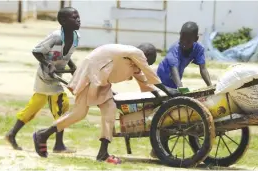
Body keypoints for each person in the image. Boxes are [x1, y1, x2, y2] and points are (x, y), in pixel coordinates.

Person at [32, 43, 180, 164]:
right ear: (145, 56)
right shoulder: (135, 52)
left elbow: (147, 83)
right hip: (91, 75)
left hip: (102, 81)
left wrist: (161, 97)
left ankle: (103, 153)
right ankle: (43, 134)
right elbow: (150, 73)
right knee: (79, 113)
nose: (143, 65)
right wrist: (168, 91)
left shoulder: (132, 61)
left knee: (110, 110)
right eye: (146, 62)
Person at [5, 7, 80, 153]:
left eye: (78, 17)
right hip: (46, 76)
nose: (78, 20)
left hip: (56, 76)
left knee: (34, 106)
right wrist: (48, 64)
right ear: (63, 21)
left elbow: (65, 54)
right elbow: (37, 51)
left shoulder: (76, 37)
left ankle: (11, 134)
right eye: (74, 17)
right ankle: (58, 145)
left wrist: (72, 67)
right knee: (62, 105)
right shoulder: (56, 36)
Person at [156, 21, 212, 90]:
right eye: (182, 39)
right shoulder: (175, 48)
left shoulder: (198, 48)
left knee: (174, 95)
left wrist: (210, 87)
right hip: (162, 76)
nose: (184, 44)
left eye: (188, 41)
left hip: (176, 78)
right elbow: (174, 70)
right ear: (180, 35)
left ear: (196, 39)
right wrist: (181, 88)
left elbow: (203, 69)